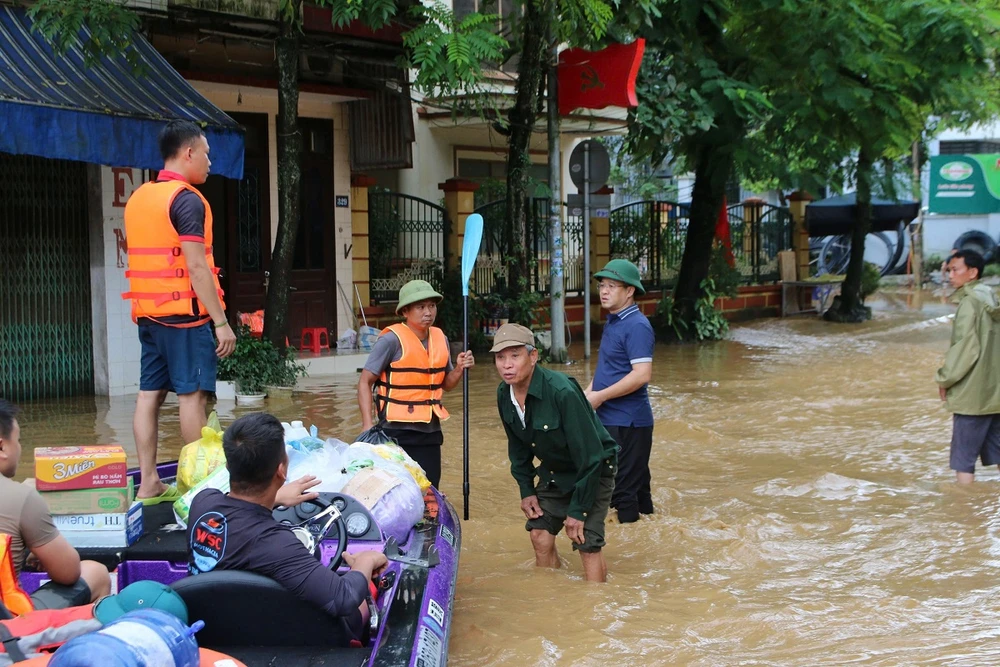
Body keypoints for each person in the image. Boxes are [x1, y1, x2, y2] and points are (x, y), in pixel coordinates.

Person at [186, 412, 387, 640]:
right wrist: (364, 562)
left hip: (212, 627)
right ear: (282, 470)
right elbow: (343, 598)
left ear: (229, 464)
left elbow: (237, 508)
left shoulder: (202, 503)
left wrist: (276, 497)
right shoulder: (276, 544)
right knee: (359, 603)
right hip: (271, 632)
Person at [123, 120, 237, 504]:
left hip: (149, 316)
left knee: (148, 396)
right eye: (206, 153)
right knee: (192, 397)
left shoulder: (140, 197)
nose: (209, 161)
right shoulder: (186, 200)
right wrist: (220, 321)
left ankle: (149, 482)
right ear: (188, 153)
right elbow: (197, 267)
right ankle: (200, 490)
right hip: (185, 317)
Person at [492, 324, 618, 583]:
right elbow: (517, 447)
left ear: (533, 356)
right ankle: (551, 595)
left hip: (593, 468)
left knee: (585, 542)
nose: (507, 365)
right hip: (555, 470)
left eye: (515, 355)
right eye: (500, 357)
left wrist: (578, 510)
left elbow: (591, 456)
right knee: (539, 535)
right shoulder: (504, 394)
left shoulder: (561, 391)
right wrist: (526, 490)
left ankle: (595, 608)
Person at [357, 279, 475, 488]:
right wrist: (367, 425)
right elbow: (365, 382)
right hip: (394, 433)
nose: (428, 312)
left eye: (431, 306)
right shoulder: (390, 341)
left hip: (429, 432)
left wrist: (459, 369)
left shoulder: (441, 339)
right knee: (397, 492)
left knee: (429, 491)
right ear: (405, 312)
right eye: (420, 307)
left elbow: (445, 385)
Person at [0, 399, 112, 611]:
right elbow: (68, 573)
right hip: (7, 627)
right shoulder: (22, 497)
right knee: (95, 572)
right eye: (18, 440)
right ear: (2, 446)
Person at [585, 259, 655, 524]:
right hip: (611, 419)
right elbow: (608, 369)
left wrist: (599, 397)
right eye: (602, 285)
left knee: (622, 492)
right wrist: (585, 396)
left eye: (612, 286)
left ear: (629, 291)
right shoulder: (614, 321)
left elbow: (641, 375)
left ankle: (632, 557)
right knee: (637, 490)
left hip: (628, 422)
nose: (604, 291)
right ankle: (649, 539)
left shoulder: (636, 325)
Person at [935, 249, 1000, 483]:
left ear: (972, 273)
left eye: (955, 270)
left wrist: (944, 379)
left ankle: (963, 512)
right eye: (949, 270)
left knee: (963, 459)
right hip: (995, 394)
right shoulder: (991, 297)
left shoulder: (969, 303)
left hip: (973, 395)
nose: (950, 275)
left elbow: (965, 349)